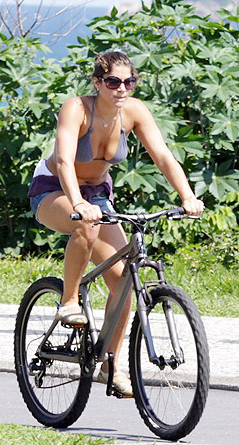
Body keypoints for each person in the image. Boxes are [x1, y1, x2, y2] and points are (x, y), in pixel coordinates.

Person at [27, 51, 204, 397]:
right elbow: (64, 160)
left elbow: (163, 155)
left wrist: (187, 196)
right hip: (54, 189)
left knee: (124, 281)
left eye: (129, 82)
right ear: (98, 82)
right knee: (86, 226)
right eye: (112, 82)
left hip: (96, 194)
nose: (121, 88)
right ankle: (68, 302)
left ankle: (110, 364)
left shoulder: (134, 112)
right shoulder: (77, 109)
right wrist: (77, 202)